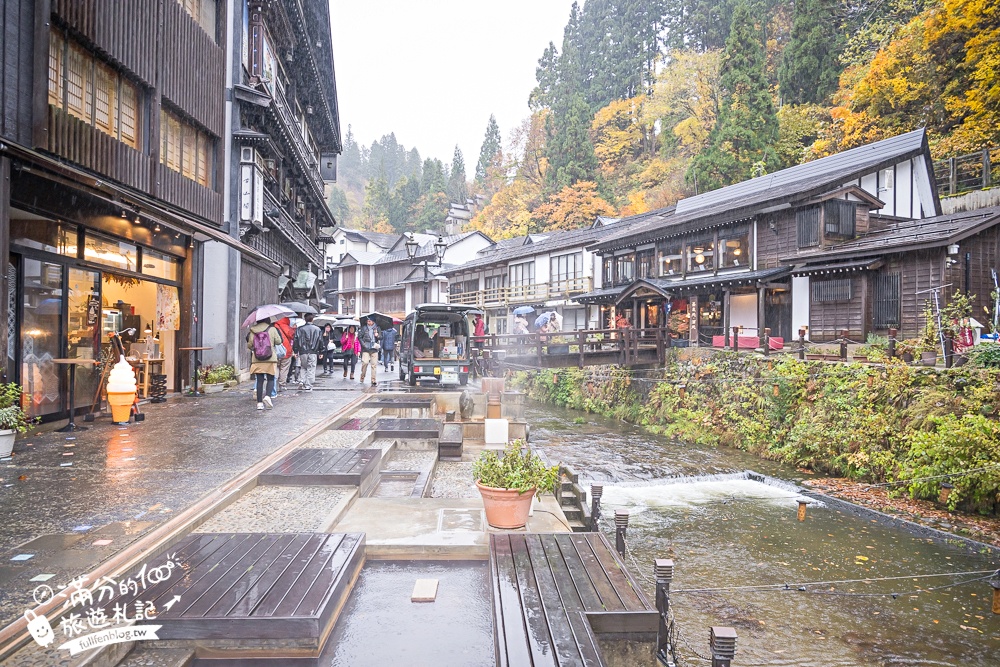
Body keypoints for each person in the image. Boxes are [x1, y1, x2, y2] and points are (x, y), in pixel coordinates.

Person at [246, 318, 282, 410]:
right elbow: (279, 341)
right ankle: (268, 396)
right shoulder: (272, 329)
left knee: (260, 380)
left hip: (257, 359)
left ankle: (259, 403)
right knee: (270, 378)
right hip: (270, 358)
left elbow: (249, 345)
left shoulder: (253, 330)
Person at [292, 313, 323, 391]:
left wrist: (295, 351)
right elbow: (320, 341)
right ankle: (308, 385)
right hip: (313, 351)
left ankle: (302, 380)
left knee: (303, 367)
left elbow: (296, 340)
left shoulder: (299, 329)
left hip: (302, 351)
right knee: (311, 368)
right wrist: (321, 351)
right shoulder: (317, 329)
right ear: (312, 319)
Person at [358, 316, 381, 386]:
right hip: (366, 348)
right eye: (368, 321)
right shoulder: (364, 328)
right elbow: (359, 337)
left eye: (370, 321)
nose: (368, 322)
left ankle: (373, 379)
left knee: (374, 365)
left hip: (374, 348)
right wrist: (363, 344)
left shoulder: (377, 328)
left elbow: (381, 337)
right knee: (365, 362)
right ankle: (362, 376)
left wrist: (378, 336)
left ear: (373, 321)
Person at [274, 316, 295, 390]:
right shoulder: (287, 327)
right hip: (286, 350)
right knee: (284, 368)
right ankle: (282, 385)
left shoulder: (273, 327)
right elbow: (293, 336)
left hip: (275, 350)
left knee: (275, 367)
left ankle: (273, 384)